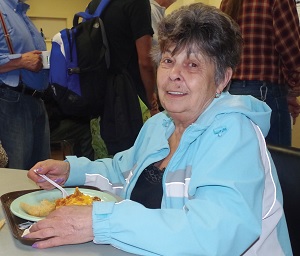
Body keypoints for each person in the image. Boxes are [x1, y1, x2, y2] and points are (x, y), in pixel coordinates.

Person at [26, 3, 292, 255]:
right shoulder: (159, 124)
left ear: (222, 79)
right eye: (168, 61)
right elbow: (122, 173)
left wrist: (100, 222)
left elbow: (214, 235)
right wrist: (73, 171)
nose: (174, 74)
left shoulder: (235, 134)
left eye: (192, 64)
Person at [220, 0, 300, 147]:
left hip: (230, 95)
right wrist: (293, 90)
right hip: (266, 95)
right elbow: (291, 51)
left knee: (240, 161)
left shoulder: (227, 2)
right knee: (277, 163)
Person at [87, 0, 159, 155]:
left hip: (100, 97)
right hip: (131, 96)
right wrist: (151, 100)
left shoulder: (95, 4)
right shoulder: (137, 3)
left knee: (105, 161)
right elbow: (145, 61)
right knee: (139, 160)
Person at [0, 0, 50, 169]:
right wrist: (20, 61)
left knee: (41, 174)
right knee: (15, 173)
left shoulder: (21, 14)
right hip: (12, 102)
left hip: (36, 102)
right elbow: (25, 60)